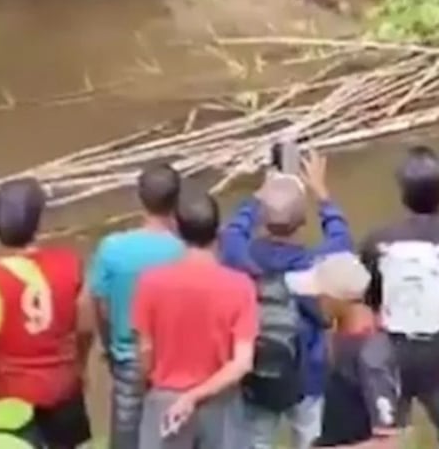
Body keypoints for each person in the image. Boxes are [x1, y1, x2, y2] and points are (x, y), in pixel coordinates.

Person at [219, 151, 353, 449]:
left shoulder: (239, 257)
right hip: (309, 373)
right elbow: (342, 239)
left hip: (257, 368)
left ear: (262, 220)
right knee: (310, 437)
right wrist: (322, 195)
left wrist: (259, 196)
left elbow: (233, 230)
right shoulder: (315, 265)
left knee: (256, 440)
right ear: (303, 220)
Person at [0, 177, 94, 449]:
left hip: (7, 395)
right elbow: (85, 327)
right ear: (38, 223)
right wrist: (80, 367)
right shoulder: (69, 264)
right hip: (61, 387)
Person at [131, 191, 258, 449]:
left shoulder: (150, 281)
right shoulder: (241, 286)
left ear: (176, 229)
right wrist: (194, 395)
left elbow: (145, 350)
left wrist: (146, 384)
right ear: (219, 232)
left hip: (166, 400)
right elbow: (242, 363)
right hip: (221, 403)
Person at [87, 163, 186, 449]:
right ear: (177, 201)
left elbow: (99, 305)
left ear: (138, 198)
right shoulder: (186, 253)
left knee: (125, 438)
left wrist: (108, 346)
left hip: (127, 357)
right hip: (173, 363)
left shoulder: (112, 248)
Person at [280, 252, 402, 449]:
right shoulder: (339, 337)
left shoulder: (371, 353)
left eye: (321, 295)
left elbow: (387, 443)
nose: (316, 299)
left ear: (337, 298)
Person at [360, 145, 439, 441]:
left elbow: (370, 299)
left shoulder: (378, 240)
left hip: (395, 350)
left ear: (403, 194)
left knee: (389, 436)